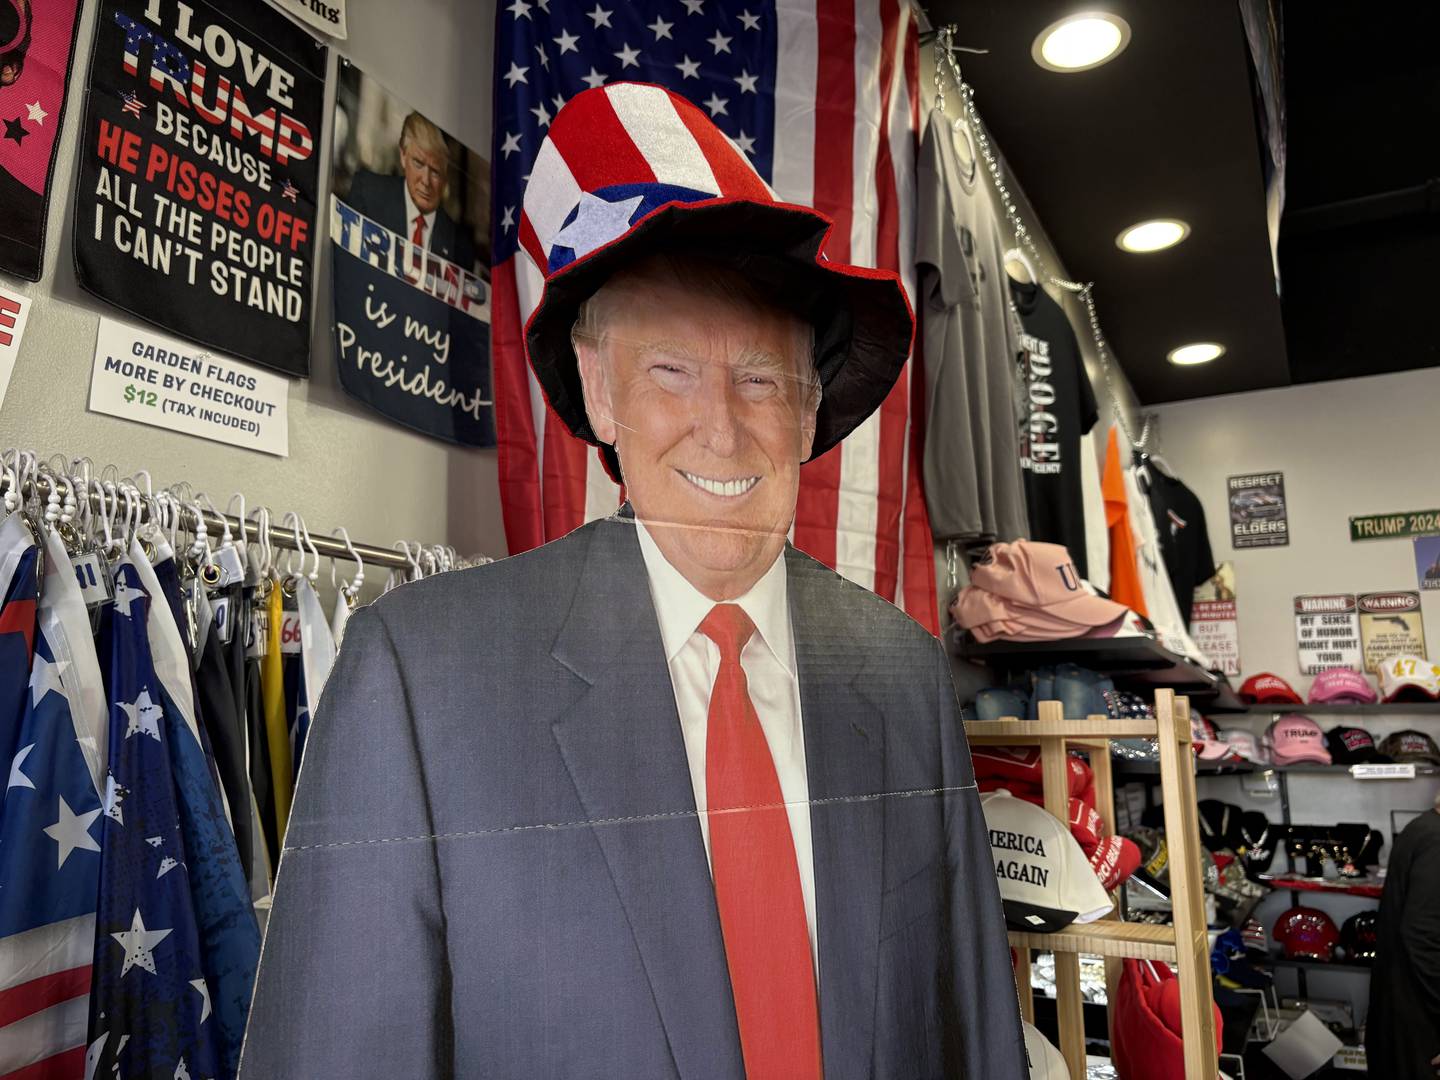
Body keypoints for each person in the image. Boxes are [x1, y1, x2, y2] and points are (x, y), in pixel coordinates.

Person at [240, 83, 1025, 1079]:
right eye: (669, 373)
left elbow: (972, 1038)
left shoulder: (906, 674)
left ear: (810, 408)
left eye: (761, 378)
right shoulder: (421, 676)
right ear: (598, 389)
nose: (724, 429)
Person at [1368, 789, 1440, 1078]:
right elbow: (1422, 937)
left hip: (1406, 1012)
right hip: (1420, 1023)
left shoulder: (1425, 829)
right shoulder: (1436, 842)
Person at [344, 110, 475, 269]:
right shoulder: (368, 194)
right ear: (403, 156)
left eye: (435, 171)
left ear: (446, 176)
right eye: (418, 164)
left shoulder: (460, 246)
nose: (425, 181)